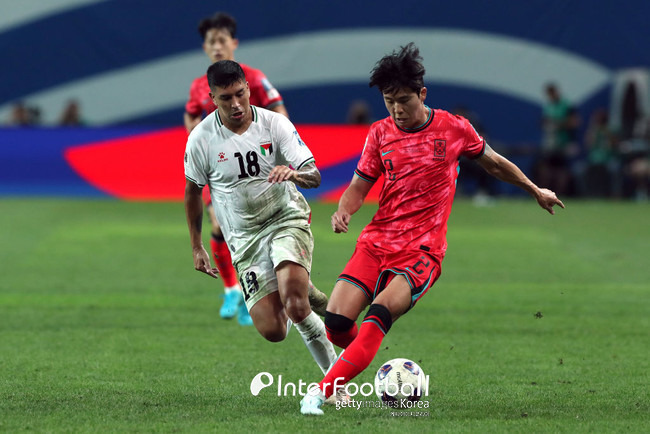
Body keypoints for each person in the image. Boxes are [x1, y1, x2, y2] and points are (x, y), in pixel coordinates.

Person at [300, 43, 564, 415]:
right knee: (338, 322)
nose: (397, 109)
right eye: (389, 101)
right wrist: (344, 211)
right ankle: (355, 363)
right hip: (376, 242)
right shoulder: (379, 133)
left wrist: (535, 190)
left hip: (421, 252)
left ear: (422, 94)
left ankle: (322, 392)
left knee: (378, 315)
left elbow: (494, 164)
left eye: (404, 100)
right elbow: (359, 186)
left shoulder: (454, 128)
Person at [184, 60, 337, 377]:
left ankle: (335, 380)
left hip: (285, 219)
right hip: (244, 240)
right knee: (274, 330)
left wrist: (293, 174)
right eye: (226, 98)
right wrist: (197, 246)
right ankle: (301, 287)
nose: (236, 104)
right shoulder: (201, 138)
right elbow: (192, 192)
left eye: (240, 94)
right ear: (212, 98)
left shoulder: (274, 125)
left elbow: (314, 175)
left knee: (295, 306)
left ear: (248, 89)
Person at [184, 12, 326, 325]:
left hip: (263, 173)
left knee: (246, 232)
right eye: (211, 42)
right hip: (222, 175)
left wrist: (284, 148)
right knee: (221, 226)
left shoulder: (254, 77)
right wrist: (195, 141)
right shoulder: (198, 87)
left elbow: (278, 110)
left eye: (222, 40)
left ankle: (267, 288)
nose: (217, 47)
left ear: (234, 43)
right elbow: (191, 116)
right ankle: (232, 288)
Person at [536, 83, 580, 196]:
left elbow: (574, 122)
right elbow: (544, 122)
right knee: (547, 169)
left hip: (564, 142)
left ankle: (561, 193)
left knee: (562, 170)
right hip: (551, 143)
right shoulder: (549, 106)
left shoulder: (566, 104)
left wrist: (558, 124)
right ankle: (547, 192)